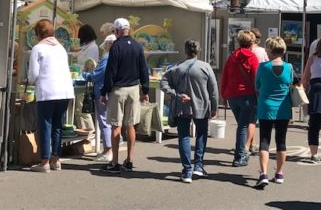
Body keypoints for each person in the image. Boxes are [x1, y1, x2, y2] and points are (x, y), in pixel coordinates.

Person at [160, 39, 218, 183]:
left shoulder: (176, 67)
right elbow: (214, 91)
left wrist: (177, 95)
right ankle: (198, 165)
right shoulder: (205, 67)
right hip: (202, 106)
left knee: (184, 136)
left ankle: (187, 171)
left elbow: (163, 83)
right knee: (201, 134)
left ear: (185, 51)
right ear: (198, 51)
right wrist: (214, 107)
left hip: (182, 106)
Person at [100, 18, 149, 174]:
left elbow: (110, 72)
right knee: (130, 126)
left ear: (117, 31)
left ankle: (114, 162)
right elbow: (144, 70)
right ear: (129, 29)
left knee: (116, 126)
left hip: (118, 90)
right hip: (134, 89)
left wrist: (104, 92)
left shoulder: (116, 47)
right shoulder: (137, 46)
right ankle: (129, 160)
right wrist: (145, 91)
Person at [28, 19, 75, 173]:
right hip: (65, 91)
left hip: (47, 91)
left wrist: (29, 81)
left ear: (38, 34)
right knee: (57, 126)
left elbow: (33, 74)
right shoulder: (61, 48)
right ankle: (56, 160)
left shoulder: (38, 48)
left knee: (45, 125)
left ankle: (44, 161)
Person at [254, 37, 293, 189]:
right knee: (281, 141)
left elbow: (257, 86)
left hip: (265, 107)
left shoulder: (263, 67)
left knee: (264, 140)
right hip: (283, 108)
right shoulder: (289, 67)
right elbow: (290, 83)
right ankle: (279, 173)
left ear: (270, 50)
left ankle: (263, 173)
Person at [221, 30, 259, 167]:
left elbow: (225, 76)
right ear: (251, 43)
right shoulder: (252, 58)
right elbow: (256, 78)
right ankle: (240, 156)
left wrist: (224, 95)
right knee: (243, 126)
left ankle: (241, 153)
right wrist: (258, 94)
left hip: (232, 95)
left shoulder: (232, 57)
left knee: (241, 125)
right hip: (247, 95)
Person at [89, 34, 116, 162]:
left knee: (104, 121)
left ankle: (108, 151)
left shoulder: (106, 58)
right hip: (112, 92)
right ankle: (109, 149)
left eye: (105, 44)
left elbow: (97, 75)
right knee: (110, 121)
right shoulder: (117, 57)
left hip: (102, 91)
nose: (104, 47)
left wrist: (87, 74)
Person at [75, 24, 100, 131]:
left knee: (82, 109)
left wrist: (76, 67)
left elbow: (89, 65)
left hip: (85, 81)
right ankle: (85, 132)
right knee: (79, 108)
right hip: (81, 79)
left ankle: (89, 132)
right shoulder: (87, 47)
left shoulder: (93, 48)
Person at [248, 27, 268, 156]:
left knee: (249, 117)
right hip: (260, 85)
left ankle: (251, 142)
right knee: (255, 117)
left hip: (246, 85)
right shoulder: (263, 51)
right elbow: (268, 65)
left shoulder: (244, 51)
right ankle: (251, 144)